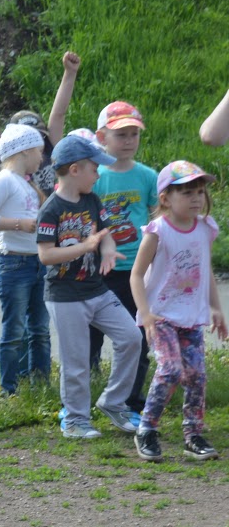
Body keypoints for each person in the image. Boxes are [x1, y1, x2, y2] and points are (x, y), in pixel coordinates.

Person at [36, 134, 140, 440]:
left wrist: (106, 247)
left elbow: (104, 231)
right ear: (75, 170)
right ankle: (76, 420)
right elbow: (46, 255)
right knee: (77, 362)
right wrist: (85, 247)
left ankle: (113, 401)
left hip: (96, 289)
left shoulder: (92, 200)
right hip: (65, 296)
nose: (99, 174)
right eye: (95, 169)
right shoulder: (51, 209)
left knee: (132, 336)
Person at [131, 161, 224, 461]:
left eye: (199, 191)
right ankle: (147, 429)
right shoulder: (157, 231)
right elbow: (136, 274)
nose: (196, 198)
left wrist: (216, 308)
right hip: (161, 316)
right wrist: (144, 314)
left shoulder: (205, 228)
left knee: (196, 374)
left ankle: (193, 434)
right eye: (187, 192)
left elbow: (205, 268)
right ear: (165, 198)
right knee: (170, 370)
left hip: (192, 318)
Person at [88, 101, 157, 429]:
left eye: (134, 134)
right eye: (121, 134)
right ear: (102, 136)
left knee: (138, 337)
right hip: (101, 270)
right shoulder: (96, 176)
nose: (129, 140)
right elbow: (87, 220)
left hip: (137, 271)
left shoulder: (148, 176)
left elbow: (158, 218)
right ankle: (85, 397)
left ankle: (129, 399)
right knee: (92, 337)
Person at [0, 123, 50, 394]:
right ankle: (10, 388)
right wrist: (19, 224)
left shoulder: (28, 184)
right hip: (14, 264)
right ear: (24, 151)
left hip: (37, 262)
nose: (42, 158)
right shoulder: (4, 180)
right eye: (39, 152)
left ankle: (40, 385)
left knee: (39, 328)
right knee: (15, 329)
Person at [0, 51, 80, 196]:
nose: (34, 146)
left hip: (47, 217)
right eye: (27, 141)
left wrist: (70, 72)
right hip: (15, 218)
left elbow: (59, 115)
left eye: (37, 139)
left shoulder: (49, 150)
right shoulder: (3, 161)